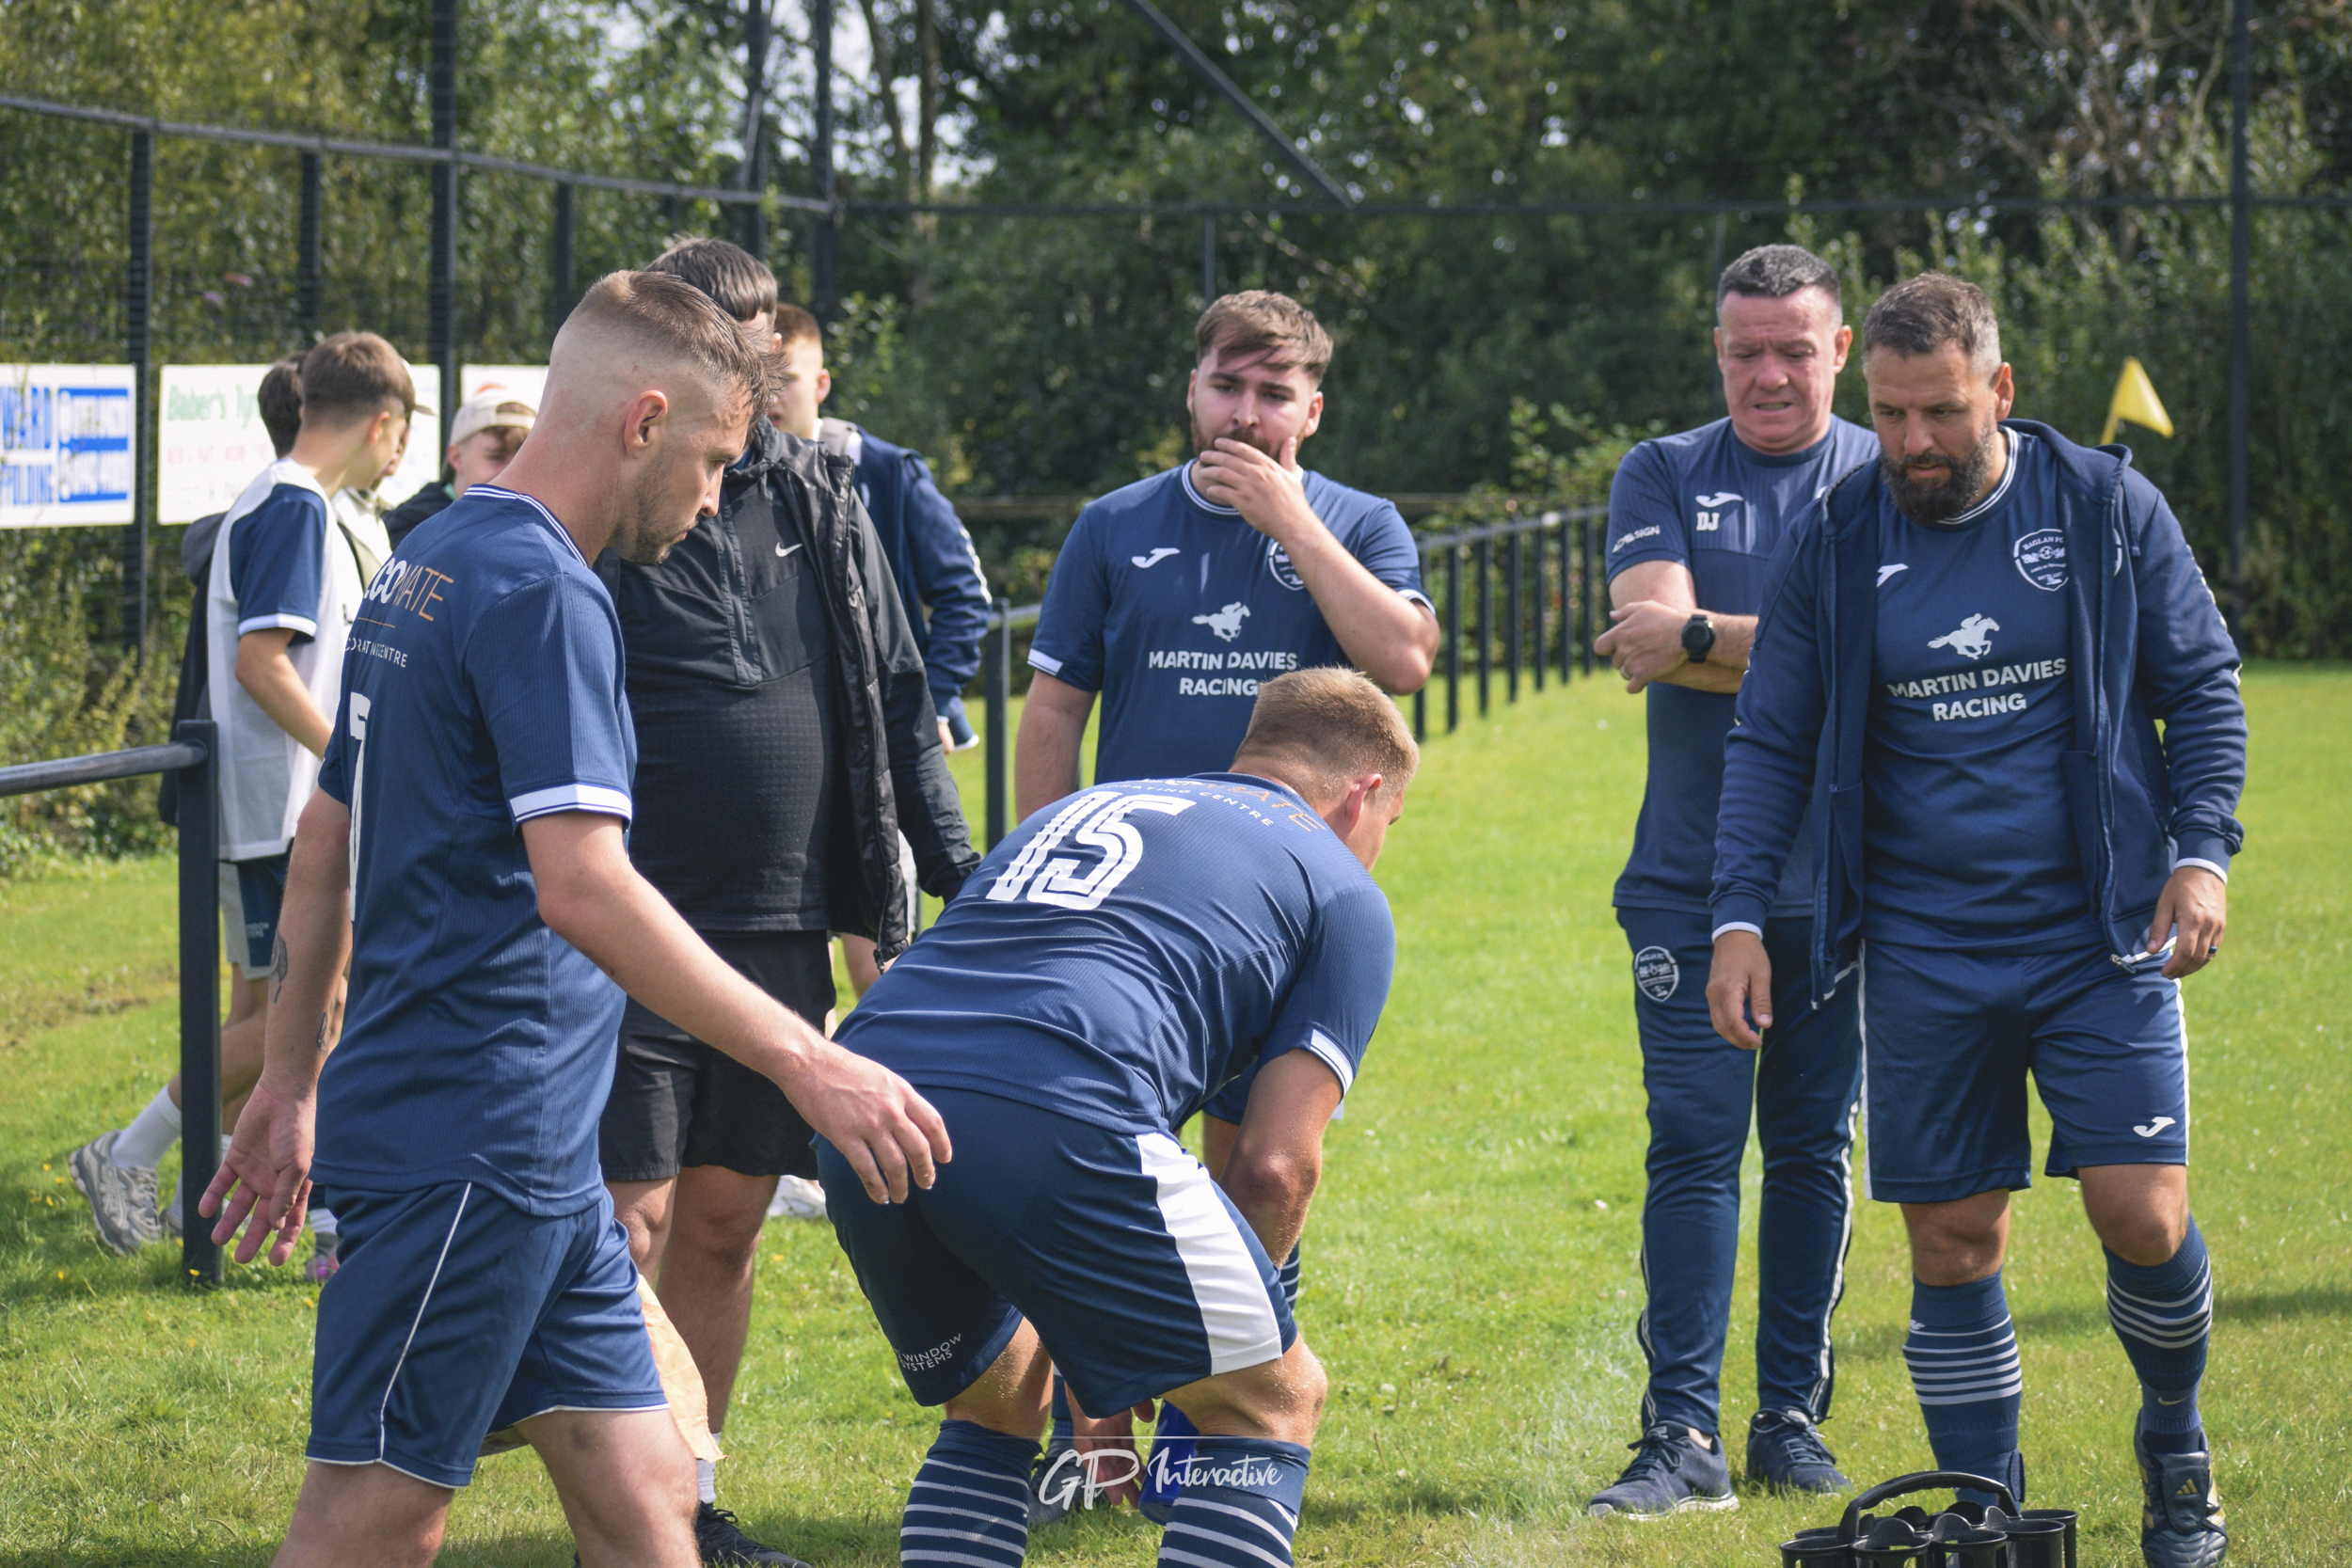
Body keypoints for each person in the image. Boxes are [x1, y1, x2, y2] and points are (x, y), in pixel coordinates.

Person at [200, 268, 953, 1568]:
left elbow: (329, 836)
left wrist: (284, 1076)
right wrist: (809, 1054)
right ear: (643, 420)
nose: (719, 495)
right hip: (468, 1145)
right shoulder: (547, 590)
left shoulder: (438, 549)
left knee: (654, 1495)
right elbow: (585, 881)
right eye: (717, 458)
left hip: (541, 1157)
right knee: (376, 1513)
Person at [1708, 272, 2244, 1568]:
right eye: (1889, 416)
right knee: (1953, 1237)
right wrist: (1734, 912)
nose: (1912, 443)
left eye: (1939, 412)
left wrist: (2203, 855)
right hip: (1925, 945)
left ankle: (2174, 1447)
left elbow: (2204, 685)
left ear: (1999, 390)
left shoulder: (2107, 507)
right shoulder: (1839, 536)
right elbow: (1770, 737)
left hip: (2101, 933)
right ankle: (1985, 1516)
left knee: (2143, 1212)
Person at [819, 667, 1416, 1568]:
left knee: (995, 1400)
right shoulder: (1340, 887)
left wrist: (1120, 1344)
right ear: (1362, 794)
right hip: (1054, 1107)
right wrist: (1176, 1353)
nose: (1377, 848)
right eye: (1388, 827)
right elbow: (1273, 1167)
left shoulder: (1099, 800)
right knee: (1270, 1399)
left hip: (862, 1095)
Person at [1012, 287, 1437, 1512]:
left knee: (1259, 1168)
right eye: (1226, 388)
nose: (1245, 415)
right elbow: (1054, 713)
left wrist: (1295, 523)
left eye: (1273, 394)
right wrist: (1045, 873)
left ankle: (1218, 1426)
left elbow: (1404, 660)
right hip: (1127, 919)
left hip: (1277, 915)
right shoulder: (1115, 525)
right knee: (1095, 1170)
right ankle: (1085, 1437)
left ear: (1313, 407)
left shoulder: (1358, 522)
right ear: (1192, 388)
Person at [595, 235, 980, 1563]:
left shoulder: (823, 496)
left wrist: (953, 878)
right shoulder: (621, 488)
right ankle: (625, 1504)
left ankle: (689, 1506)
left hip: (778, 924)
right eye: (721, 332)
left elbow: (897, 697)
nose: (750, 357)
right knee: (624, 1214)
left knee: (721, 1216)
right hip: (623, 918)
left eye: (761, 333)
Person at [1582, 245, 1882, 1518]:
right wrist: (1775, 644)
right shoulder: (1659, 470)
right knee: (1695, 1147)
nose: (1768, 373)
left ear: (1841, 348)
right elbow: (1648, 638)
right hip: (1690, 881)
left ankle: (1790, 1420)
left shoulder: (1885, 471)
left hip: (1859, 880)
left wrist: (1713, 635)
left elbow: (1870, 654)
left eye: (1793, 349)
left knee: (1814, 1148)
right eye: (1744, 350)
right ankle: (1681, 1432)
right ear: (1717, 350)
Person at [72, 339, 412, 1269]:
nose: (400, 460)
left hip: (280, 810)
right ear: (381, 423)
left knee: (272, 1013)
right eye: (401, 435)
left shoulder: (298, 502)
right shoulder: (295, 507)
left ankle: (212, 1206)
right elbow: (261, 663)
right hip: (278, 814)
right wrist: (350, 760)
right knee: (302, 1018)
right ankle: (127, 1154)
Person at [755, 300, 993, 995]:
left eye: (787, 379)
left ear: (822, 384)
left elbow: (965, 593)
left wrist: (936, 698)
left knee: (879, 962)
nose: (772, 397)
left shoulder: (887, 473)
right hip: (797, 752)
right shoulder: (729, 480)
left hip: (880, 750)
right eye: (759, 380)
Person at [385, 385, 536, 547]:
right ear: (456, 458)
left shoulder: (542, 530)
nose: (511, 473)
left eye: (524, 461)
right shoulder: (411, 533)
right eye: (496, 457)